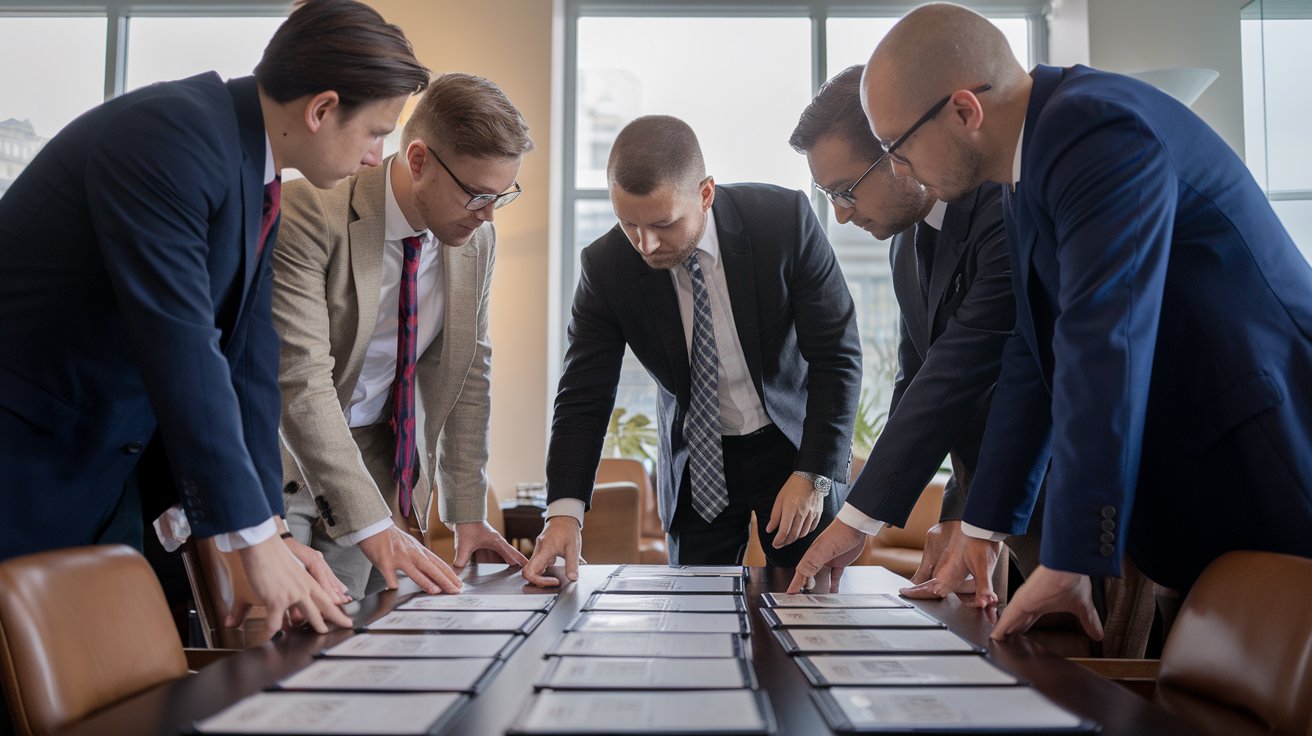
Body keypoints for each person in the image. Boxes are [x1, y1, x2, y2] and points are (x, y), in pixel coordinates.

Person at [862, 3, 1312, 641]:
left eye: (895, 148)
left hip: (1262, 452)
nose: (898, 170)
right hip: (1206, 469)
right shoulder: (1030, 161)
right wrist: (986, 527)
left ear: (963, 111)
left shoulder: (1091, 127)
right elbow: (1031, 353)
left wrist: (1071, 552)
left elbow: (1103, 341)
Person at [0, 0, 430, 634]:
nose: (376, 156)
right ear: (321, 109)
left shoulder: (251, 170)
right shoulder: (168, 137)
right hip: (28, 456)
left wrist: (272, 526)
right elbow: (182, 344)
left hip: (103, 461)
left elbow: (251, 366)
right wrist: (250, 538)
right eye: (375, 132)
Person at [523, 115, 862, 587]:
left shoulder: (782, 222)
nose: (646, 244)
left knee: (813, 607)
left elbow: (837, 355)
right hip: (698, 461)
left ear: (705, 194)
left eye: (663, 223)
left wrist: (816, 473)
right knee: (694, 620)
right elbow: (583, 395)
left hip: (794, 448)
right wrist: (563, 514)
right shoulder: (605, 268)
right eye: (629, 225)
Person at [275, 73, 532, 599]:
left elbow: (468, 371)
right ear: (418, 161)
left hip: (379, 459)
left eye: (501, 196)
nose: (486, 215)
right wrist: (372, 523)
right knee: (290, 637)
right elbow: (301, 380)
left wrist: (466, 513)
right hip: (285, 455)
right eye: (476, 195)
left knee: (357, 639)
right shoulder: (311, 211)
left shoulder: (476, 240)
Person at [782, 65, 1029, 597]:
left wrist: (857, 521)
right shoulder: (903, 247)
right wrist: (886, 516)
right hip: (987, 509)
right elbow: (917, 384)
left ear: (896, 150)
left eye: (845, 190)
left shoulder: (1003, 207)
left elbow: (967, 375)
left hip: (1060, 502)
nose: (842, 217)